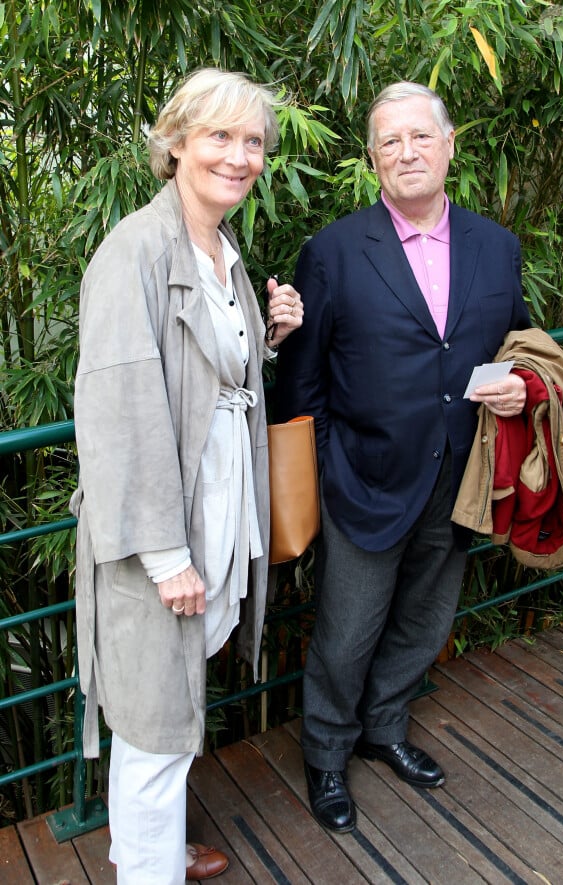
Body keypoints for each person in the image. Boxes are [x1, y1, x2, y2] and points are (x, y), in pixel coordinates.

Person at [275, 81, 530, 833]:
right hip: (364, 481)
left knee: (424, 622)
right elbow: (302, 381)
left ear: (451, 145)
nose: (407, 152)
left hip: (460, 478)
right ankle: (325, 754)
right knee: (346, 633)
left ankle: (384, 728)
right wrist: (328, 471)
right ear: (372, 158)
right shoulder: (333, 250)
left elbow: (516, 344)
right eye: (390, 141)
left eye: (421, 136)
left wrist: (519, 385)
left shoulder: (497, 245)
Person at [71, 68, 303, 883]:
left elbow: (207, 374)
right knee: (155, 721)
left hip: (217, 513)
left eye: (253, 142)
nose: (240, 157)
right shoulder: (135, 249)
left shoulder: (219, 249)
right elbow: (117, 411)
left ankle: (150, 844)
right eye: (220, 136)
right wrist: (167, 556)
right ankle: (147, 864)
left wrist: (267, 336)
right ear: (174, 143)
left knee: (170, 702)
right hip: (160, 533)